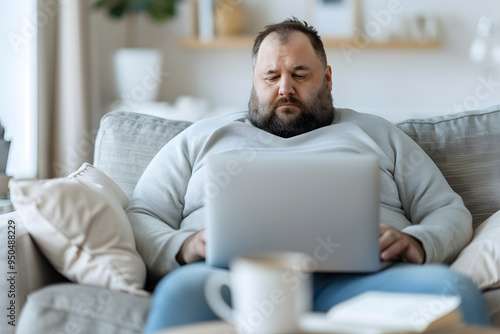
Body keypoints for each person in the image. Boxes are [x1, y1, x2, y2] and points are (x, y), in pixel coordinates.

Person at [126, 18, 490, 333]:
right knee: (177, 294)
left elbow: (449, 211)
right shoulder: (201, 138)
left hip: (369, 280)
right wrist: (184, 247)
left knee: (454, 290)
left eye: (300, 74)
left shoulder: (378, 133)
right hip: (229, 282)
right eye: (271, 76)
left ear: (327, 79)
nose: (285, 88)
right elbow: (142, 214)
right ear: (253, 81)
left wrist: (418, 242)